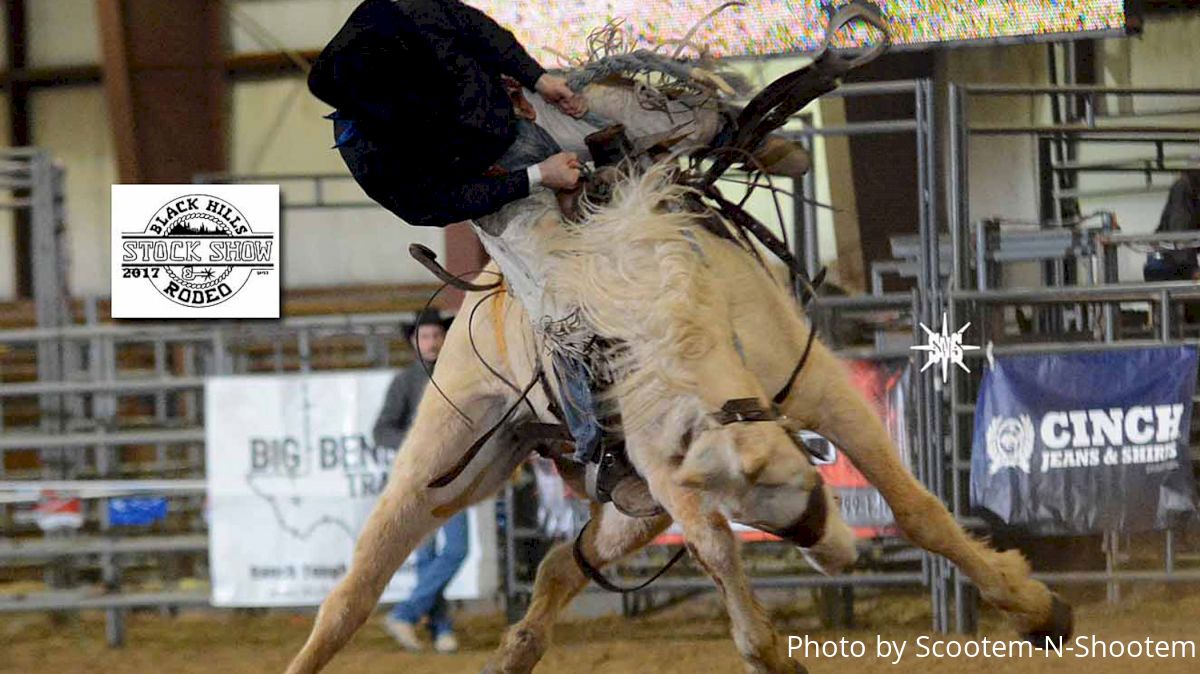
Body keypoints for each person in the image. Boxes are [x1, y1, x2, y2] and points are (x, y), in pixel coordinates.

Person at [307, 0, 589, 229]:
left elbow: (478, 30)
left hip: (519, 104)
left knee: (620, 107)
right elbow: (432, 203)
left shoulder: (407, 18)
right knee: (551, 256)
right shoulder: (371, 156)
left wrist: (537, 78)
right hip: (497, 180)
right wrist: (536, 176)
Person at [373, 309, 466, 653]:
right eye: (425, 337)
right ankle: (440, 628)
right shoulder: (405, 382)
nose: (431, 342)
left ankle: (407, 614)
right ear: (414, 342)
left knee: (456, 550)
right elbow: (381, 430)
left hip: (454, 477)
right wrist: (416, 446)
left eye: (436, 336)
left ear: (444, 340)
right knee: (431, 555)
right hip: (418, 480)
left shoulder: (460, 376)